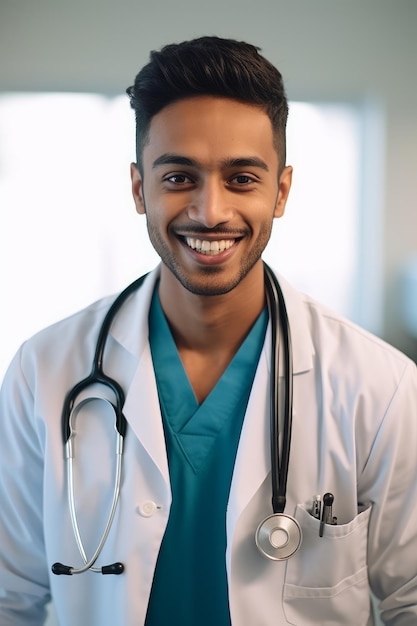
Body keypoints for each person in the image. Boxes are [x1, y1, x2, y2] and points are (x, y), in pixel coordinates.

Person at [0, 36, 416, 626]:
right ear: (140, 187)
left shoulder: (380, 386)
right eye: (179, 178)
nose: (210, 210)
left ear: (282, 190)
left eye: (242, 178)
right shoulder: (44, 372)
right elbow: (8, 598)